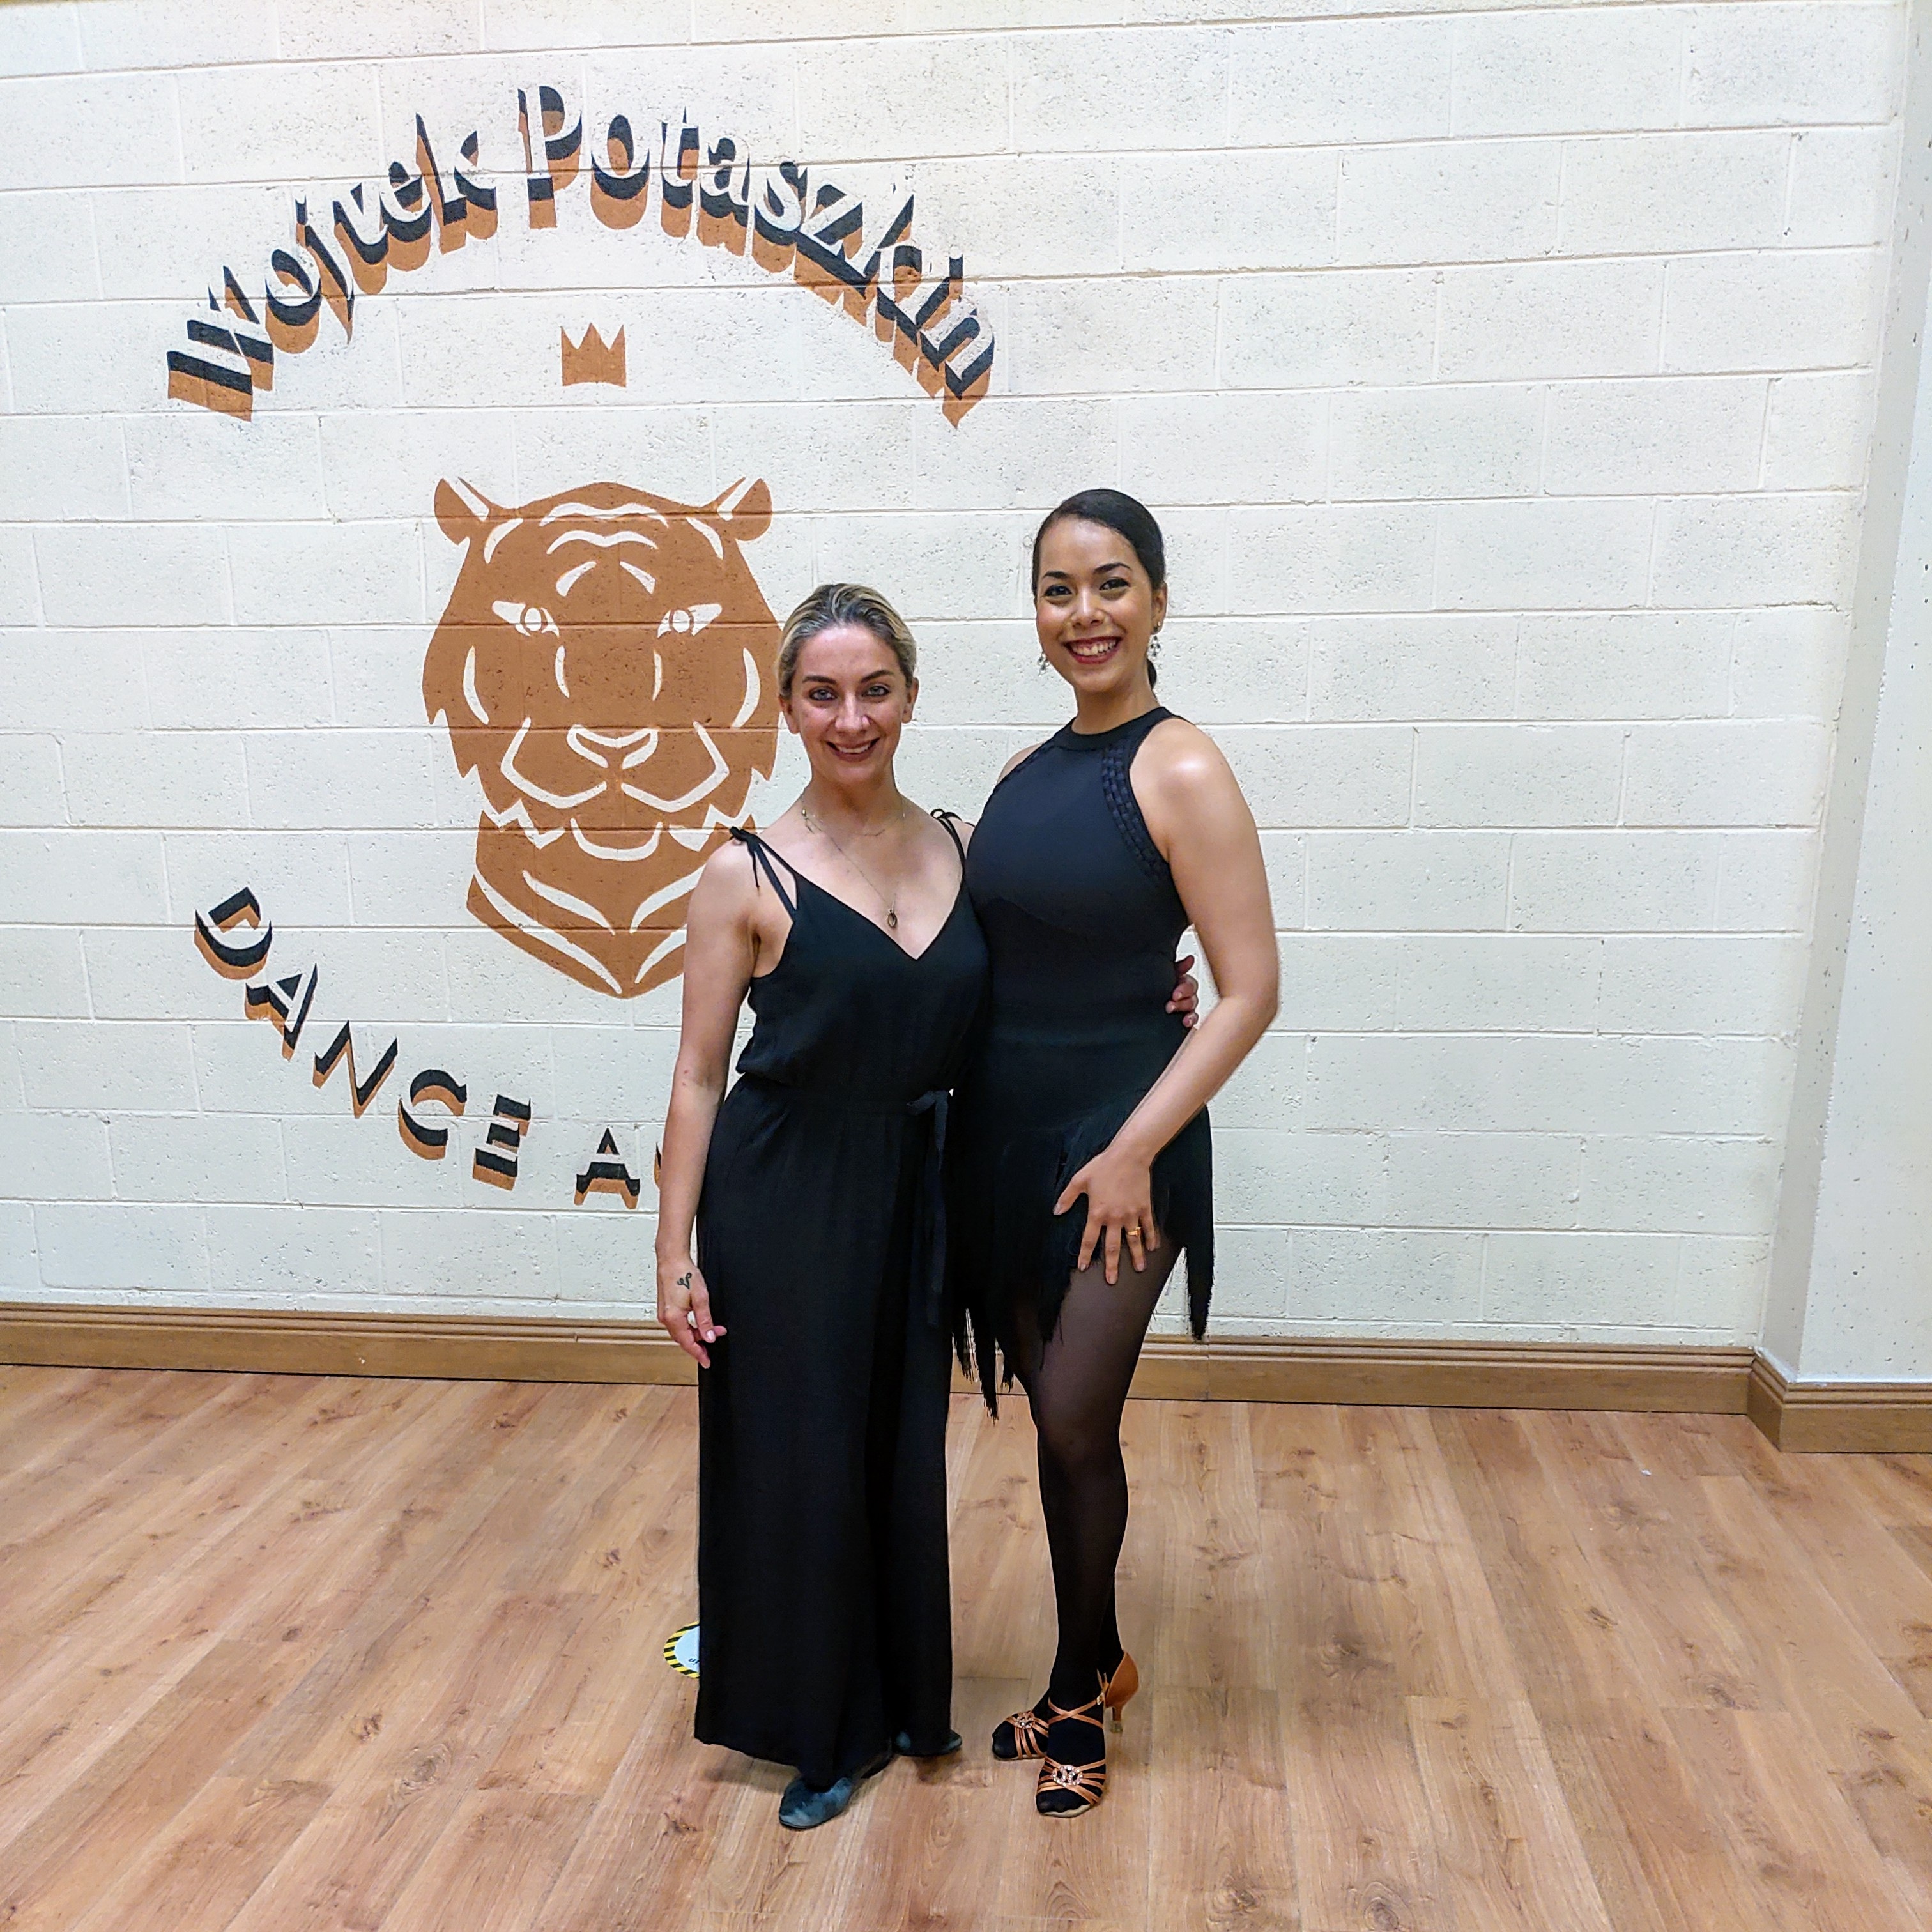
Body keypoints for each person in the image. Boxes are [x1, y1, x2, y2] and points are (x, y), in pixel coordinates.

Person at [654, 581, 1200, 1831]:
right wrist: (674, 1249)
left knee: (895, 1448)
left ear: (909, 696)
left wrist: (1155, 994)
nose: (851, 718)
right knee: (800, 1456)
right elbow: (695, 1075)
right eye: (822, 695)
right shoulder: (743, 873)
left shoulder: (965, 843)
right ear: (787, 708)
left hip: (921, 1184)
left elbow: (1053, 972)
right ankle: (816, 1730)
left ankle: (904, 1700)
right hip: (786, 1190)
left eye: (874, 690)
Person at [948, 489, 1279, 1818]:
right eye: (1058, 589)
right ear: (1034, 614)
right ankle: (1101, 1660)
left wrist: (1140, 1145)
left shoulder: (1182, 766)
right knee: (1055, 1417)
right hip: (1009, 1139)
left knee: (1078, 1413)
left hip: (1127, 1146)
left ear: (1157, 601)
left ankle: (1076, 1699)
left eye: (1111, 583)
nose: (1084, 613)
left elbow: (1250, 990)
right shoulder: (1023, 775)